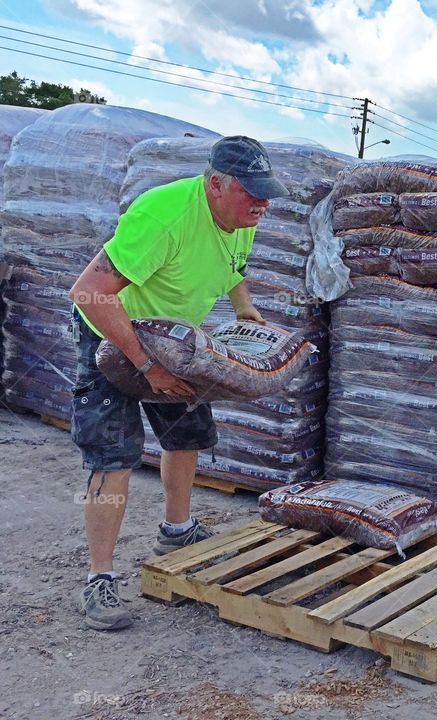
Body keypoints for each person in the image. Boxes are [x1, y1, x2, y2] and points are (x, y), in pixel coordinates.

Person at [68, 136, 288, 629]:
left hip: (172, 335)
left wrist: (244, 309)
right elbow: (89, 293)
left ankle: (177, 529)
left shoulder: (242, 218)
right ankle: (99, 581)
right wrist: (148, 367)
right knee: (115, 453)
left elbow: (233, 267)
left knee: (187, 432)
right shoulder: (164, 216)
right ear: (214, 184)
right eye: (251, 193)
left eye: (265, 192)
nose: (262, 203)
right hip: (110, 332)